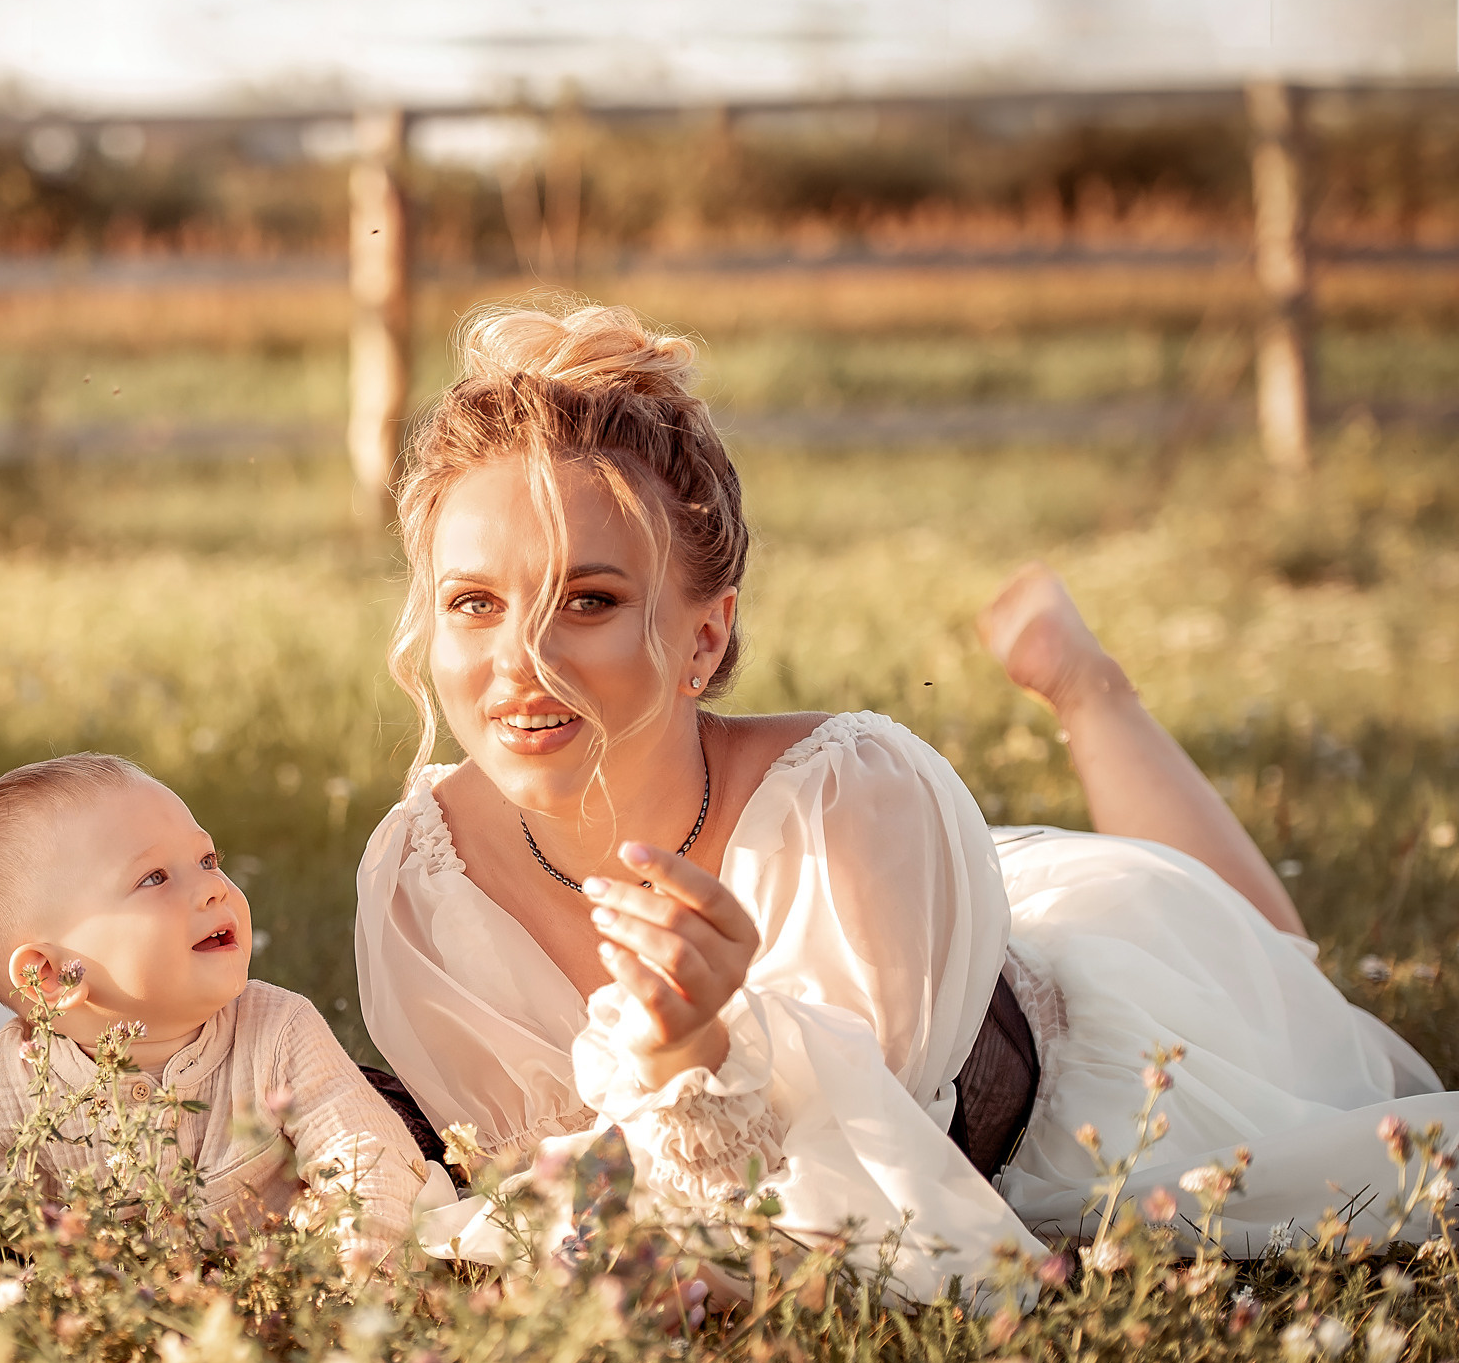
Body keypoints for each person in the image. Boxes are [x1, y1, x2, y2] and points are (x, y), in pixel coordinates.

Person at [356, 299, 1453, 1299]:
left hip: (1072, 1081)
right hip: (953, 927)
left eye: (588, 600)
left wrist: (692, 1050)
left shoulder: (854, 807)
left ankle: (1089, 688)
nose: (521, 661)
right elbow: (550, 1195)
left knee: (1275, 965)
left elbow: (844, 1209)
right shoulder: (422, 876)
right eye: (474, 603)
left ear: (706, 634)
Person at [0, 755, 447, 1272]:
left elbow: (365, 1160)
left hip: (274, 1287)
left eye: (207, 860)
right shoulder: (17, 1085)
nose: (212, 888)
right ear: (50, 977)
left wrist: (354, 1281)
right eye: (154, 878)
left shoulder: (276, 1031)